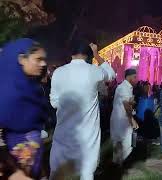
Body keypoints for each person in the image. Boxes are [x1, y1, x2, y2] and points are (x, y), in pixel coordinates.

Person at [49, 42, 115, 180]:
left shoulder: (58, 72)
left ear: (71, 53)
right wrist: (96, 54)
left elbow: (54, 102)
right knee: (87, 171)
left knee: (56, 171)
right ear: (88, 55)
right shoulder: (94, 71)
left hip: (64, 129)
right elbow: (111, 74)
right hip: (88, 131)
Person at [0, 38, 48, 179]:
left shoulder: (30, 89)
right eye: (38, 59)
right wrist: (15, 172)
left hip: (33, 166)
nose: (43, 63)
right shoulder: (6, 93)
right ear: (22, 59)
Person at [110, 69, 139, 165]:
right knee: (125, 142)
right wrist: (132, 120)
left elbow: (127, 103)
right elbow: (126, 105)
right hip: (121, 120)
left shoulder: (127, 88)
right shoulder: (124, 88)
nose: (136, 79)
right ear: (129, 76)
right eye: (134, 77)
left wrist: (132, 102)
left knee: (120, 141)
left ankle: (118, 164)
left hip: (121, 119)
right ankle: (122, 165)